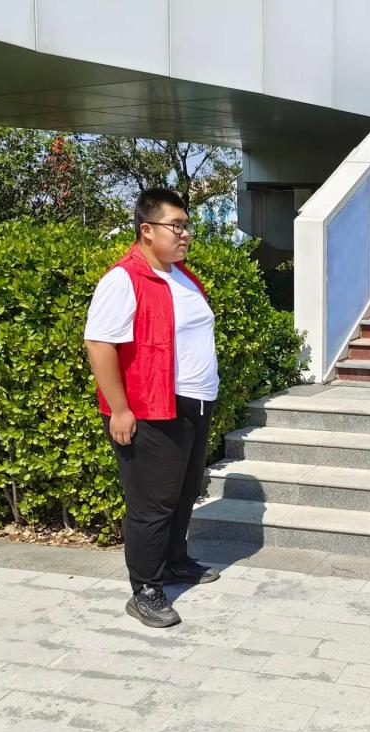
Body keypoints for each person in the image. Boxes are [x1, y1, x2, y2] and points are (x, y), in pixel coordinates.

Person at [84, 188, 221, 629]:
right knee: (152, 503)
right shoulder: (123, 279)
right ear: (147, 230)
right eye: (175, 226)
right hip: (151, 408)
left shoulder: (182, 276)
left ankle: (175, 561)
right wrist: (119, 409)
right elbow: (99, 344)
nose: (185, 234)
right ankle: (145, 589)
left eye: (186, 225)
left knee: (183, 492)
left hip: (196, 403)